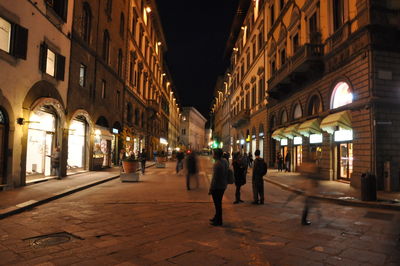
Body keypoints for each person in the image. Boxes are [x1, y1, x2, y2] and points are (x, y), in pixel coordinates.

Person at [209, 148, 228, 226]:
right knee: (218, 203)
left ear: (216, 155)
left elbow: (215, 178)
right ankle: (216, 217)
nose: (212, 155)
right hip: (223, 185)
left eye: (213, 153)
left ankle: (219, 220)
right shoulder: (225, 161)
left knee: (217, 204)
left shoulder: (217, 164)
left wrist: (211, 188)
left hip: (217, 187)